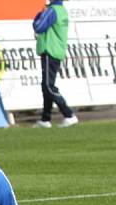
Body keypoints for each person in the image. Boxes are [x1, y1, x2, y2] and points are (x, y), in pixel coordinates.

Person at [32, 0, 77, 128]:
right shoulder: (62, 10)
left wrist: (39, 15)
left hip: (49, 50)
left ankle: (69, 114)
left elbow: (39, 26)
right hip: (57, 50)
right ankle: (45, 119)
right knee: (46, 86)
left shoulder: (52, 10)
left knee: (48, 86)